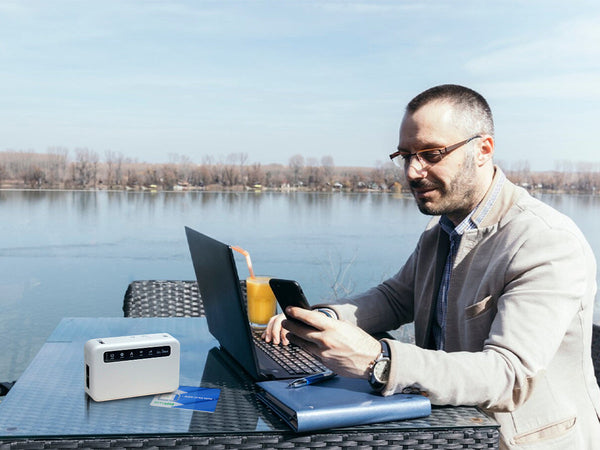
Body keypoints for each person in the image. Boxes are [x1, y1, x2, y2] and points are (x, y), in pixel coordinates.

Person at [264, 84, 600, 449]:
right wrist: (325, 319)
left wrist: (379, 361)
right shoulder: (442, 230)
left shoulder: (544, 240)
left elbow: (509, 376)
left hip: (513, 442)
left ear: (483, 149)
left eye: (431, 153)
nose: (411, 171)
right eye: (405, 155)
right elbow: (395, 298)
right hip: (445, 430)